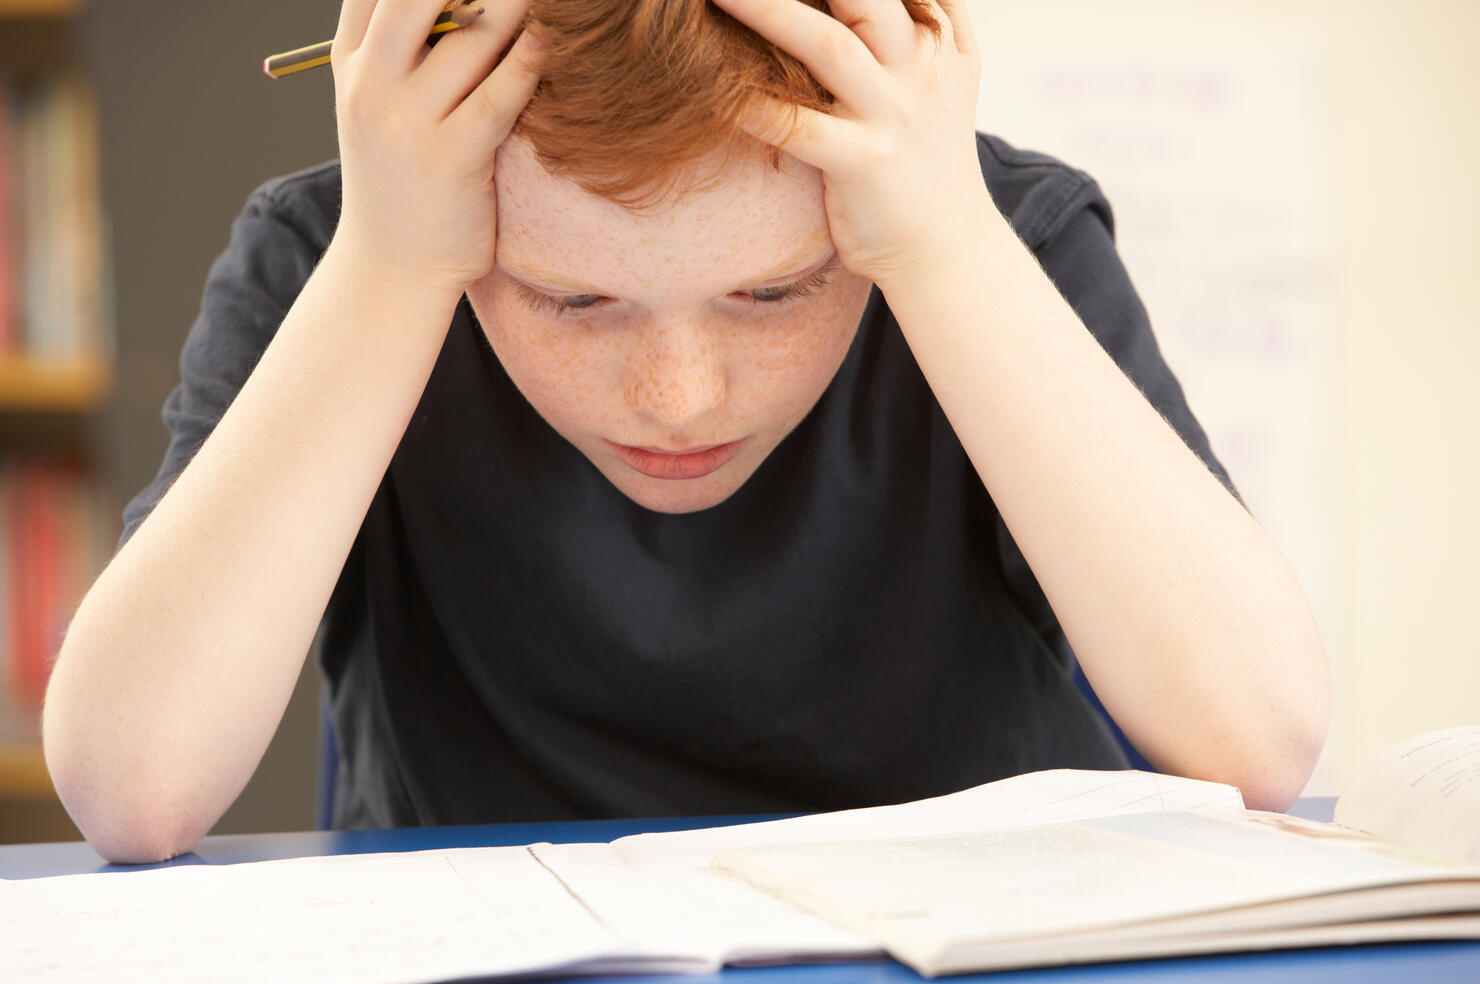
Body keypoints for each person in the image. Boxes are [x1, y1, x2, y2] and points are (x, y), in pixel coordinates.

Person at [43, 0, 1328, 864]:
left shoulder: (985, 240)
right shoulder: (351, 257)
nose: (679, 396)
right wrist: (387, 267)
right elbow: (131, 788)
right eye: (571, 297)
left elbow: (1254, 738)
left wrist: (941, 243)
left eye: (772, 292)